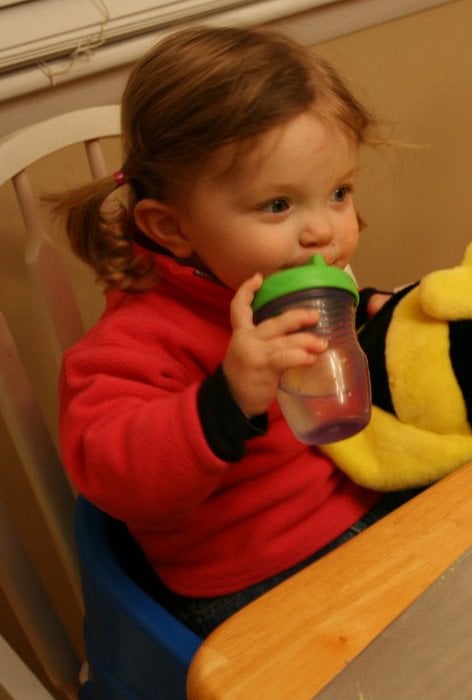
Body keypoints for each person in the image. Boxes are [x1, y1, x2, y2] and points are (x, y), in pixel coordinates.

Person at [54, 25, 405, 637]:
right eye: (278, 205)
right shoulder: (133, 344)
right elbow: (111, 474)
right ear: (171, 228)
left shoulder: (300, 277)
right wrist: (226, 399)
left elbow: (339, 370)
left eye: (338, 192)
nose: (323, 230)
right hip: (250, 578)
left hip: (358, 502)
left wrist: (385, 316)